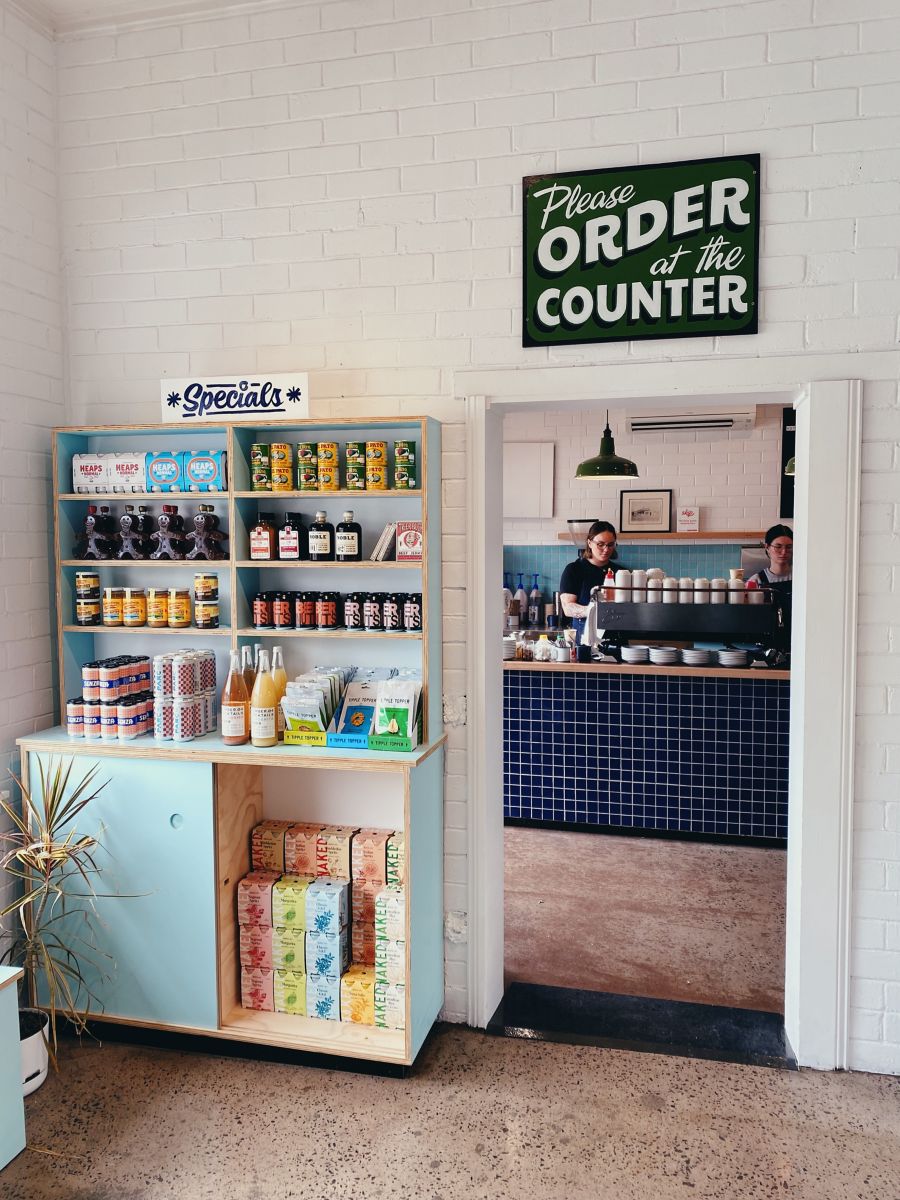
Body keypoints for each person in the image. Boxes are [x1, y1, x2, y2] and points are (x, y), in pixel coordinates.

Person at [559, 520, 626, 640]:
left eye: (610, 545)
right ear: (589, 543)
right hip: (584, 638)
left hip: (616, 639)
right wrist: (593, 611)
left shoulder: (621, 573)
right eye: (600, 544)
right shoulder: (574, 569)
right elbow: (567, 608)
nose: (606, 549)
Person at [747, 523, 793, 649]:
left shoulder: (802, 579)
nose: (784, 552)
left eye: (789, 547)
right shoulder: (755, 581)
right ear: (767, 547)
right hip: (766, 646)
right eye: (778, 547)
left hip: (797, 642)